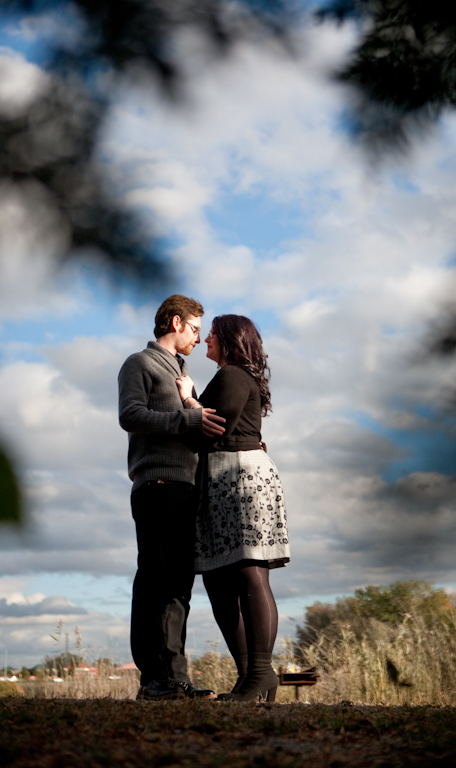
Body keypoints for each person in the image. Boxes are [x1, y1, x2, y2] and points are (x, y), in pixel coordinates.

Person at [118, 294, 226, 702]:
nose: (198, 338)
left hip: (187, 488)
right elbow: (130, 415)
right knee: (155, 580)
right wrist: (188, 417)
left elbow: (197, 426)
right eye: (195, 329)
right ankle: (152, 679)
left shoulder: (183, 372)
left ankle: (176, 677)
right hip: (157, 485)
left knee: (180, 586)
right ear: (176, 322)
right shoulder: (139, 363)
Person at [176, 314, 290, 703]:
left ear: (229, 340)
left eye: (212, 333)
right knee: (217, 579)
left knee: (249, 571)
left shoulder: (234, 375)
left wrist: (188, 397)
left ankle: (260, 672)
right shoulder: (230, 377)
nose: (205, 338)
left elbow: (213, 426)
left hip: (241, 478)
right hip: (221, 480)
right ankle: (249, 678)